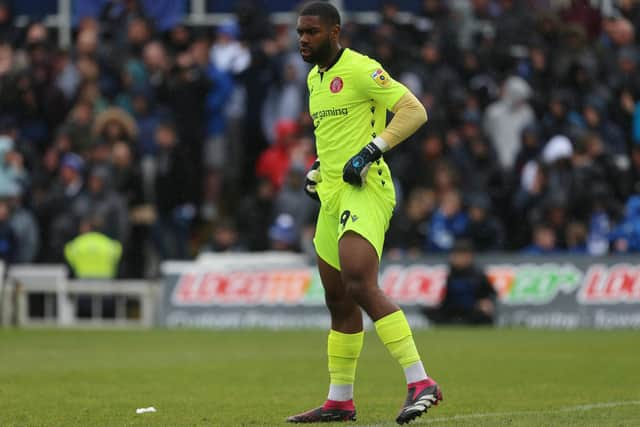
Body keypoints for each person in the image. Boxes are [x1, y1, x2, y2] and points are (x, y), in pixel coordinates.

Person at [286, 3, 442, 425]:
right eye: (300, 32)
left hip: (366, 187)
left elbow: (414, 111)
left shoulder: (361, 68)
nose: (303, 39)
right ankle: (340, 400)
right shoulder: (314, 79)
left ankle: (421, 381)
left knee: (358, 282)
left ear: (335, 32)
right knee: (337, 298)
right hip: (332, 195)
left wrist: (372, 150)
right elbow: (334, 138)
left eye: (312, 32)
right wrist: (318, 169)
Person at [435, 239, 496, 325]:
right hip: (452, 312)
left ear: (468, 256)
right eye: (455, 255)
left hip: (473, 312)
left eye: (460, 255)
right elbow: (445, 299)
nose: (456, 258)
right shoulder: (449, 274)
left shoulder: (478, 275)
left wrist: (487, 302)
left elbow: (491, 294)